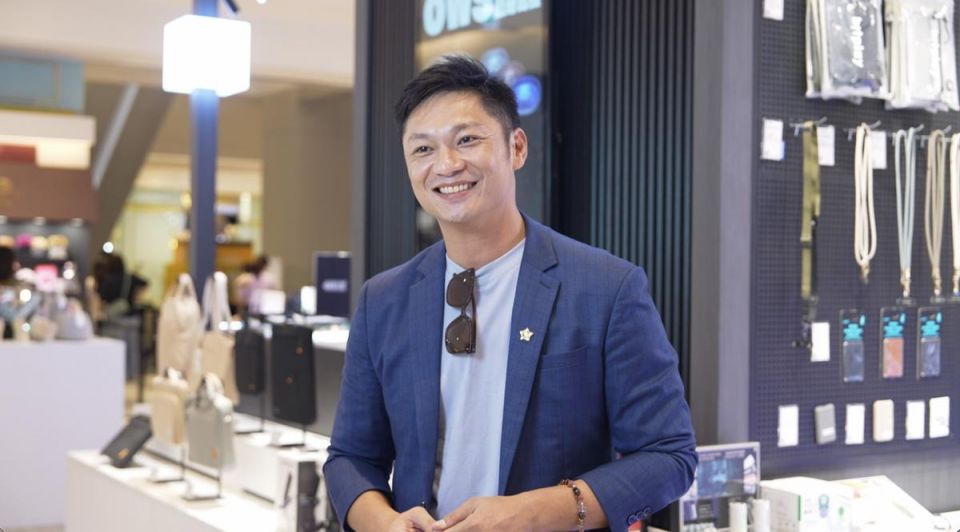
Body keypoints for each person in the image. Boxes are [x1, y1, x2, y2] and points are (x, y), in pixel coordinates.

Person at [324, 55, 697, 532]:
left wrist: (537, 511)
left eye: (466, 139)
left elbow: (668, 456)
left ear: (516, 147)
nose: (446, 165)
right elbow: (350, 457)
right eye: (423, 149)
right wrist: (385, 524)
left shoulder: (606, 287)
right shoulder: (384, 300)